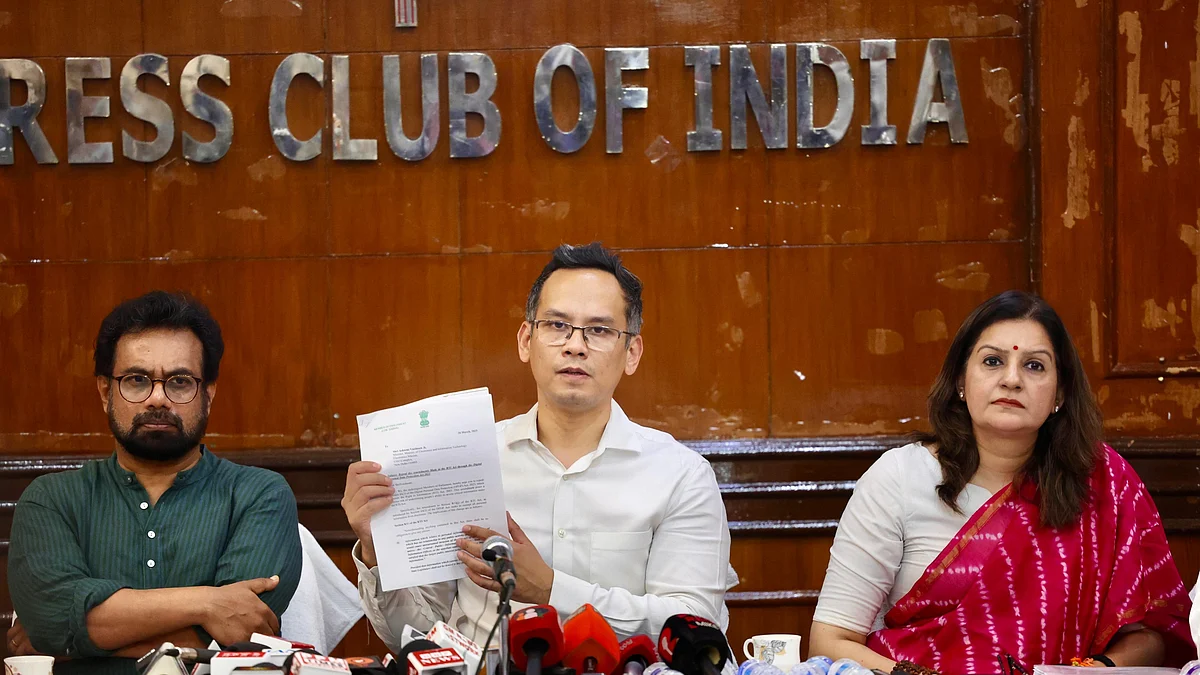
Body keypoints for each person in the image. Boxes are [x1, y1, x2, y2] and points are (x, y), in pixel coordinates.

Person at [342, 243, 732, 649]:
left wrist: (550, 591)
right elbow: (415, 635)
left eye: (599, 330)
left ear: (631, 352)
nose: (575, 345)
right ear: (526, 340)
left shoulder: (680, 475)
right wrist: (377, 549)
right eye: (557, 325)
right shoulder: (467, 459)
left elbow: (695, 628)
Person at [810, 290, 1193, 672]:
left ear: (1060, 392)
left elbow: (1152, 636)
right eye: (993, 361)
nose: (1011, 380)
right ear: (961, 380)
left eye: (1035, 366)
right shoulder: (898, 478)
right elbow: (830, 642)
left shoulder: (1103, 483)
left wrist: (1090, 670)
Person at [7, 291, 303, 675]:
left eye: (179, 382)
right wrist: (209, 603)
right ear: (104, 391)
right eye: (136, 380)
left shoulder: (258, 494)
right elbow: (51, 619)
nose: (158, 399)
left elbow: (239, 633)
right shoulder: (51, 500)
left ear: (208, 393)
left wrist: (76, 638)